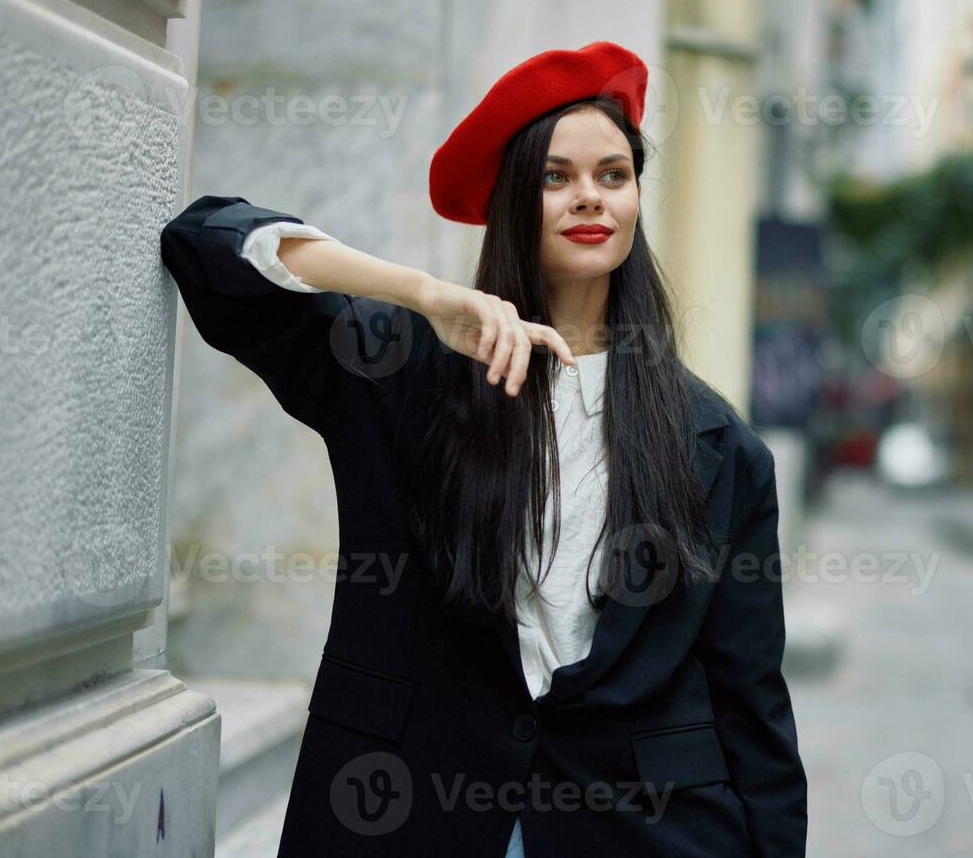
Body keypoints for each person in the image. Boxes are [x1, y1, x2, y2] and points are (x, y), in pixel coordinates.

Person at [160, 42, 807, 856]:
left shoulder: (721, 447)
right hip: (409, 812)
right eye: (556, 176)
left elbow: (754, 710)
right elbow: (205, 242)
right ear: (512, 197)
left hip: (639, 830)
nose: (590, 198)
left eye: (614, 174)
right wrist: (423, 293)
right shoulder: (406, 372)